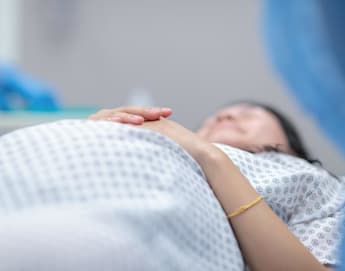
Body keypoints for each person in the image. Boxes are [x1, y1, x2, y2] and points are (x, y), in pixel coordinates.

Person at [0, 102, 342, 271]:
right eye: (214, 117)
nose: (225, 116)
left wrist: (209, 156)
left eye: (248, 114)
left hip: (106, 228)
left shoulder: (315, 183)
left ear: (295, 149)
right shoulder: (176, 144)